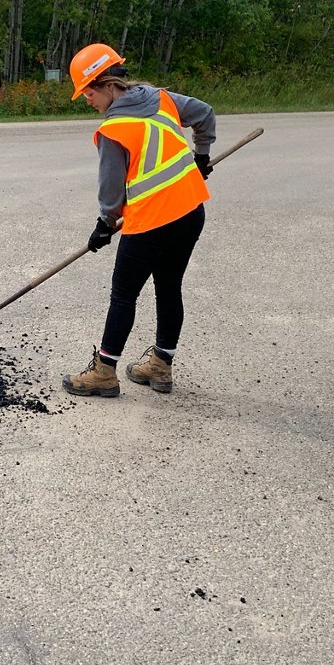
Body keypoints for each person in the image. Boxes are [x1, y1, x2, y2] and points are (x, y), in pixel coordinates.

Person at [61, 42, 215, 398]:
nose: (87, 100)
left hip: (151, 223)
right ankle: (161, 366)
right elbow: (205, 113)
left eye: (88, 91)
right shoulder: (162, 99)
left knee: (123, 296)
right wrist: (201, 155)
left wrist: (104, 224)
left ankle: (104, 373)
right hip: (190, 213)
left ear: (109, 85)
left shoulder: (114, 130)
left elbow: (111, 190)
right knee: (168, 287)